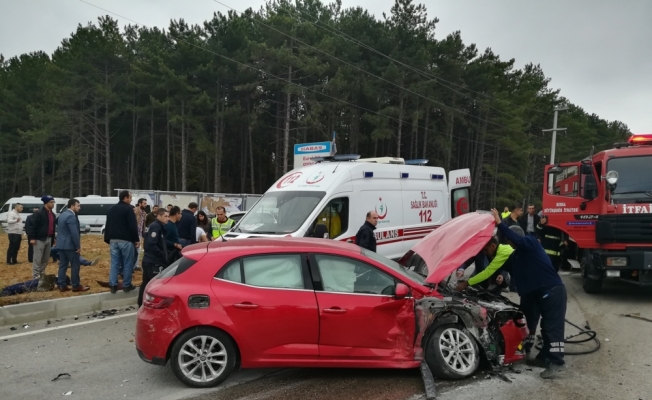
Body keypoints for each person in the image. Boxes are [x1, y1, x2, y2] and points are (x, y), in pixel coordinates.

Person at [490, 208, 567, 379]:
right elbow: (498, 269)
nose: (510, 243)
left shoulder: (531, 243)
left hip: (552, 291)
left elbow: (517, 238)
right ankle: (543, 357)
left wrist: (500, 224)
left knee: (551, 328)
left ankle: (556, 361)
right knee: (534, 324)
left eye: (510, 240)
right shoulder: (517, 257)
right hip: (536, 294)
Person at [104, 190, 140, 294]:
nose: (131, 199)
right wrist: (136, 239)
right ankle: (126, 285)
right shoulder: (129, 209)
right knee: (128, 263)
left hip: (113, 240)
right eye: (130, 197)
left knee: (115, 263)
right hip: (126, 240)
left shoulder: (111, 209)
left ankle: (113, 284)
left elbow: (108, 225)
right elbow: (133, 226)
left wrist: (108, 239)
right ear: (125, 198)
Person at [55, 199, 90, 292]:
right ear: (72, 206)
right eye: (78, 206)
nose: (79, 207)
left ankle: (61, 284)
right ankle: (76, 285)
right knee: (75, 265)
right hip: (70, 245)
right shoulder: (71, 217)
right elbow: (74, 233)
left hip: (61, 244)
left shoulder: (62, 215)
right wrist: (77, 246)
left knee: (63, 265)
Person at [139, 208, 169, 307]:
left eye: (168, 216)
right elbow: (151, 244)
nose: (167, 218)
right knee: (153, 284)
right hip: (153, 261)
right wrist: (161, 254)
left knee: (146, 283)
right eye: (165, 216)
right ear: (159, 216)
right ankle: (149, 304)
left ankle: (141, 304)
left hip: (149, 259)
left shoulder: (156, 226)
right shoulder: (156, 227)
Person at [26, 196, 57, 286]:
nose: (53, 204)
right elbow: (32, 226)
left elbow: (52, 227)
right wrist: (32, 238)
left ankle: (42, 274)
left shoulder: (52, 214)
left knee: (46, 258)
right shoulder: (39, 213)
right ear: (46, 203)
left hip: (49, 238)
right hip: (39, 239)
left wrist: (53, 238)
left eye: (53, 202)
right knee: (37, 258)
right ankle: (36, 276)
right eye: (51, 202)